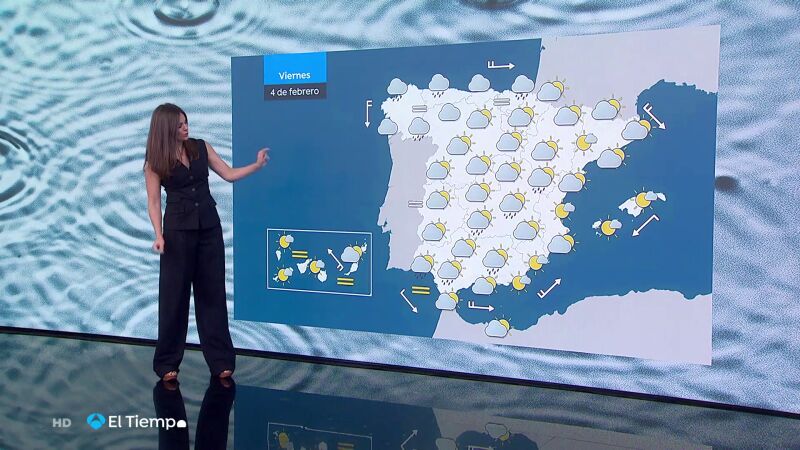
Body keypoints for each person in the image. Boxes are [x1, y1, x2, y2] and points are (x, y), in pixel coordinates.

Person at [143, 103, 269, 382]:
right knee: (174, 299)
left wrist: (256, 165)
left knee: (212, 295)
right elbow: (153, 202)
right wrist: (159, 235)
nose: (185, 128)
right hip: (177, 234)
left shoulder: (201, 147)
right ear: (166, 129)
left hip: (209, 230)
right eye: (179, 125)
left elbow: (229, 174)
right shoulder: (155, 161)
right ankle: (166, 363)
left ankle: (221, 361)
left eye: (186, 122)